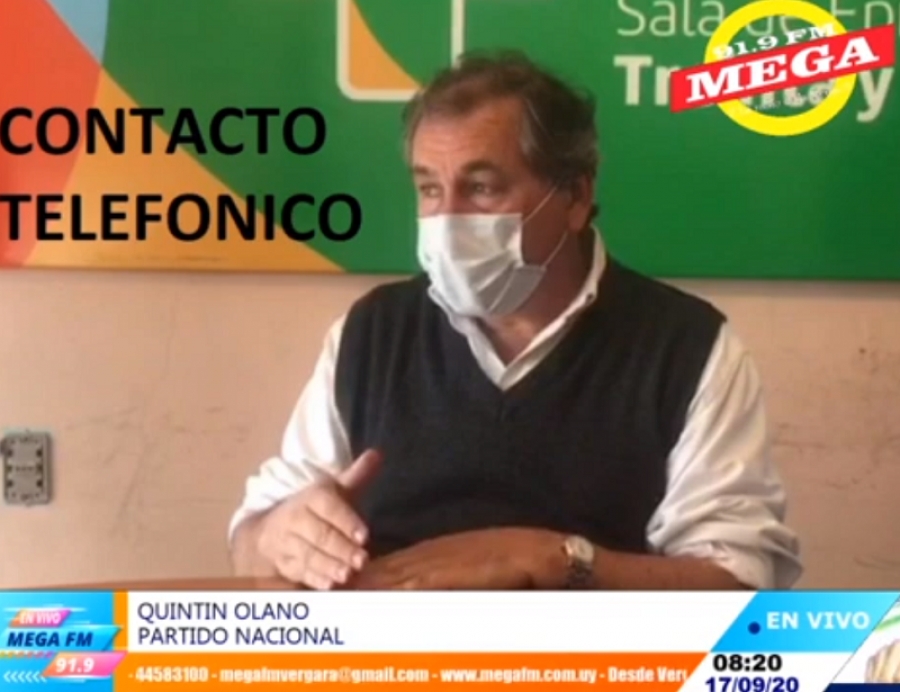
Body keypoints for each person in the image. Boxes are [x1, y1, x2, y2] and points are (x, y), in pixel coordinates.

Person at [229, 50, 801, 591]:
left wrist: (549, 559)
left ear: (574, 197)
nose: (447, 219)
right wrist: (278, 535)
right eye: (429, 188)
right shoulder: (371, 333)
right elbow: (249, 543)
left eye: (481, 188)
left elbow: (739, 584)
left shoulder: (687, 347)